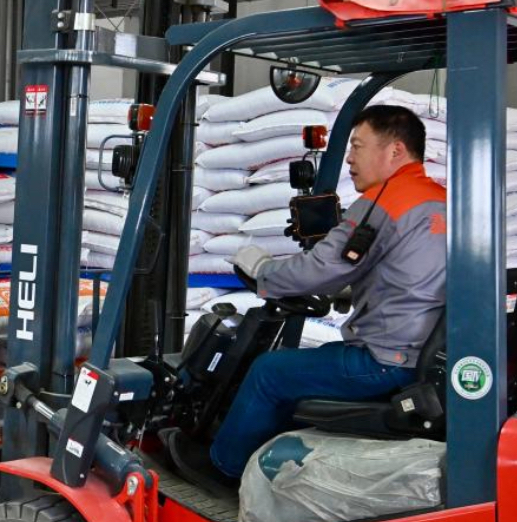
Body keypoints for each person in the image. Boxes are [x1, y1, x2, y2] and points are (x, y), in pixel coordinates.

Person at [167, 104, 447, 492]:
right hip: (418, 352)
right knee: (297, 370)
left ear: (395, 150)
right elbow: (405, 270)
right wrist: (350, 289)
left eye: (358, 146)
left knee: (269, 372)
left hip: (386, 359)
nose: (350, 158)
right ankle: (272, 464)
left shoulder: (385, 201)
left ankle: (224, 469)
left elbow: (323, 266)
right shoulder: (438, 199)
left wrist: (263, 271)